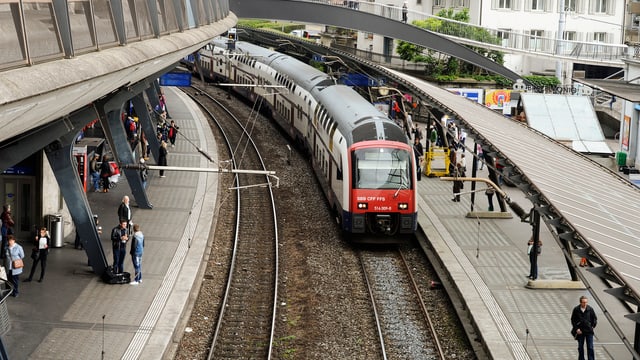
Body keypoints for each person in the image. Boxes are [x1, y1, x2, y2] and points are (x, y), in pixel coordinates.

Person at [571, 295, 597, 360]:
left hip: (589, 331)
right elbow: (573, 320)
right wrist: (576, 329)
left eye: (586, 302)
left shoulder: (590, 309)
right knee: (580, 347)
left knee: (590, 347)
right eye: (583, 302)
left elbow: (594, 319)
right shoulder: (576, 309)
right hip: (580, 332)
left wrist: (593, 326)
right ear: (580, 302)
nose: (585, 304)